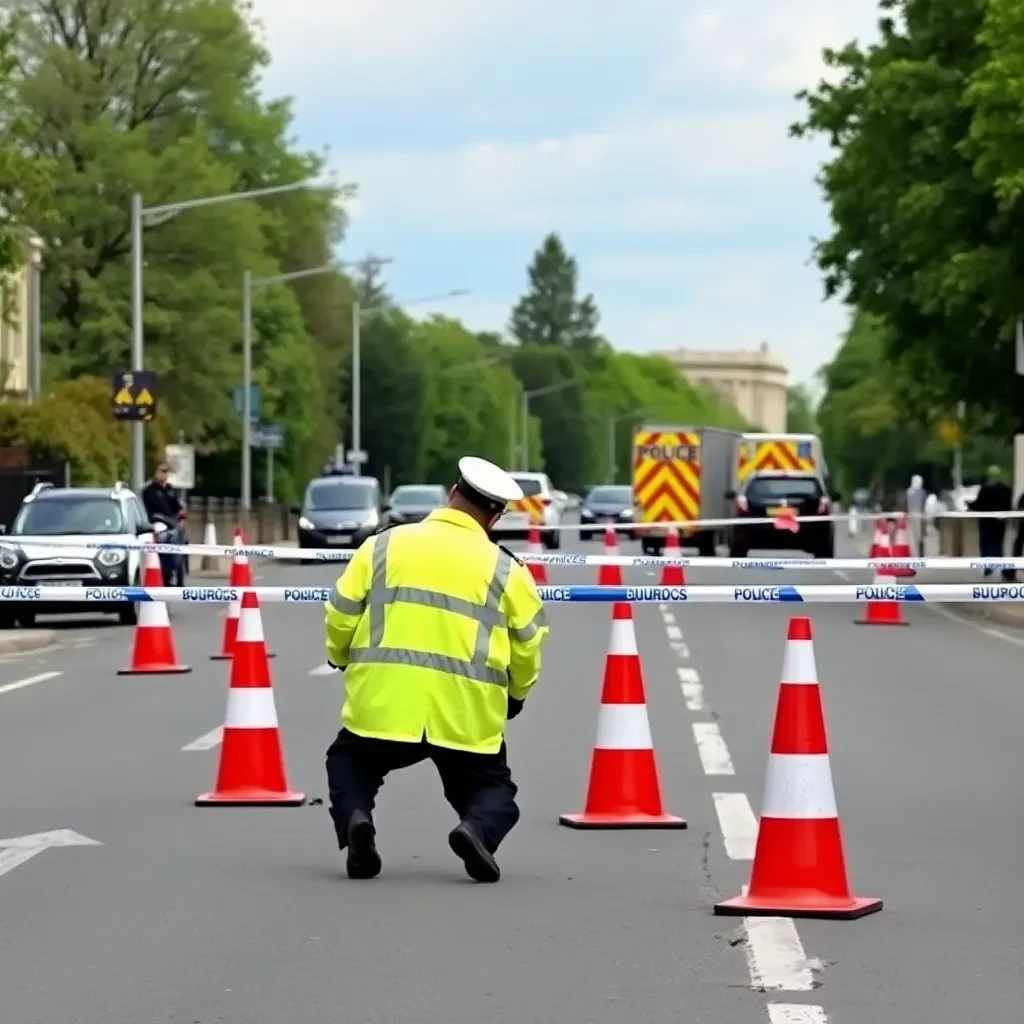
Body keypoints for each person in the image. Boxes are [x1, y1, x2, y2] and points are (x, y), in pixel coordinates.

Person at [323, 456, 550, 883]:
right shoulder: (507, 569)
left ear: (451, 495)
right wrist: (515, 695)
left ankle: (357, 820)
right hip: (464, 712)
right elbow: (529, 643)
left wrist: (339, 655)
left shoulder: (383, 545)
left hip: (386, 703)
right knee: (493, 790)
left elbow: (340, 612)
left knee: (350, 763)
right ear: (495, 516)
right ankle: (476, 828)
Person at [141, 462, 186, 586]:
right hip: (157, 526)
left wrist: (182, 520)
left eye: (166, 472)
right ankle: (164, 574)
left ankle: (176, 572)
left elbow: (179, 508)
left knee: (178, 541)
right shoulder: (149, 491)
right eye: (161, 471)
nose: (163, 474)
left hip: (172, 525)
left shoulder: (171, 490)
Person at [967, 465, 1013, 575]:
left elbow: (978, 504)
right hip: (1000, 521)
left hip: (986, 521)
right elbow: (1009, 505)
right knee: (998, 544)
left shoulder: (984, 489)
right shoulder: (1005, 489)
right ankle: (1002, 568)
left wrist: (969, 505)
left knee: (986, 544)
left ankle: (988, 567)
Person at [905, 474, 926, 557]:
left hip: (913, 514)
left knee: (915, 536)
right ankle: (918, 553)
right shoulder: (921, 492)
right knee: (917, 536)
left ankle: (915, 553)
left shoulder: (908, 492)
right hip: (918, 514)